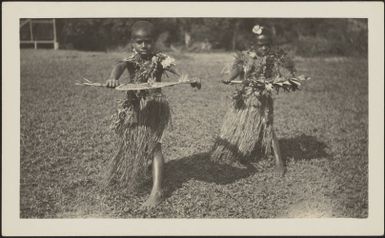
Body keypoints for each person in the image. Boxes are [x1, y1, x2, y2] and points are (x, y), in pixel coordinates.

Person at [105, 21, 177, 208]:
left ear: (154, 42)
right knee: (132, 141)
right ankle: (127, 175)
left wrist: (190, 79)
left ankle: (157, 191)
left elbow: (179, 72)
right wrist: (113, 78)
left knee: (154, 145)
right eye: (139, 42)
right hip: (134, 108)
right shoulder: (130, 59)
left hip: (153, 106)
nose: (144, 46)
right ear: (133, 43)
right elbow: (118, 66)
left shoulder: (160, 59)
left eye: (148, 41)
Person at [211, 24, 298, 176]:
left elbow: (284, 73)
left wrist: (287, 80)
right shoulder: (246, 57)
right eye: (261, 45)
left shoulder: (272, 59)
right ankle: (234, 151)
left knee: (268, 127)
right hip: (245, 99)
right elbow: (238, 69)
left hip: (263, 99)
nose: (264, 48)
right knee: (238, 126)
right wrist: (229, 78)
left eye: (267, 45)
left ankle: (279, 162)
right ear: (253, 45)